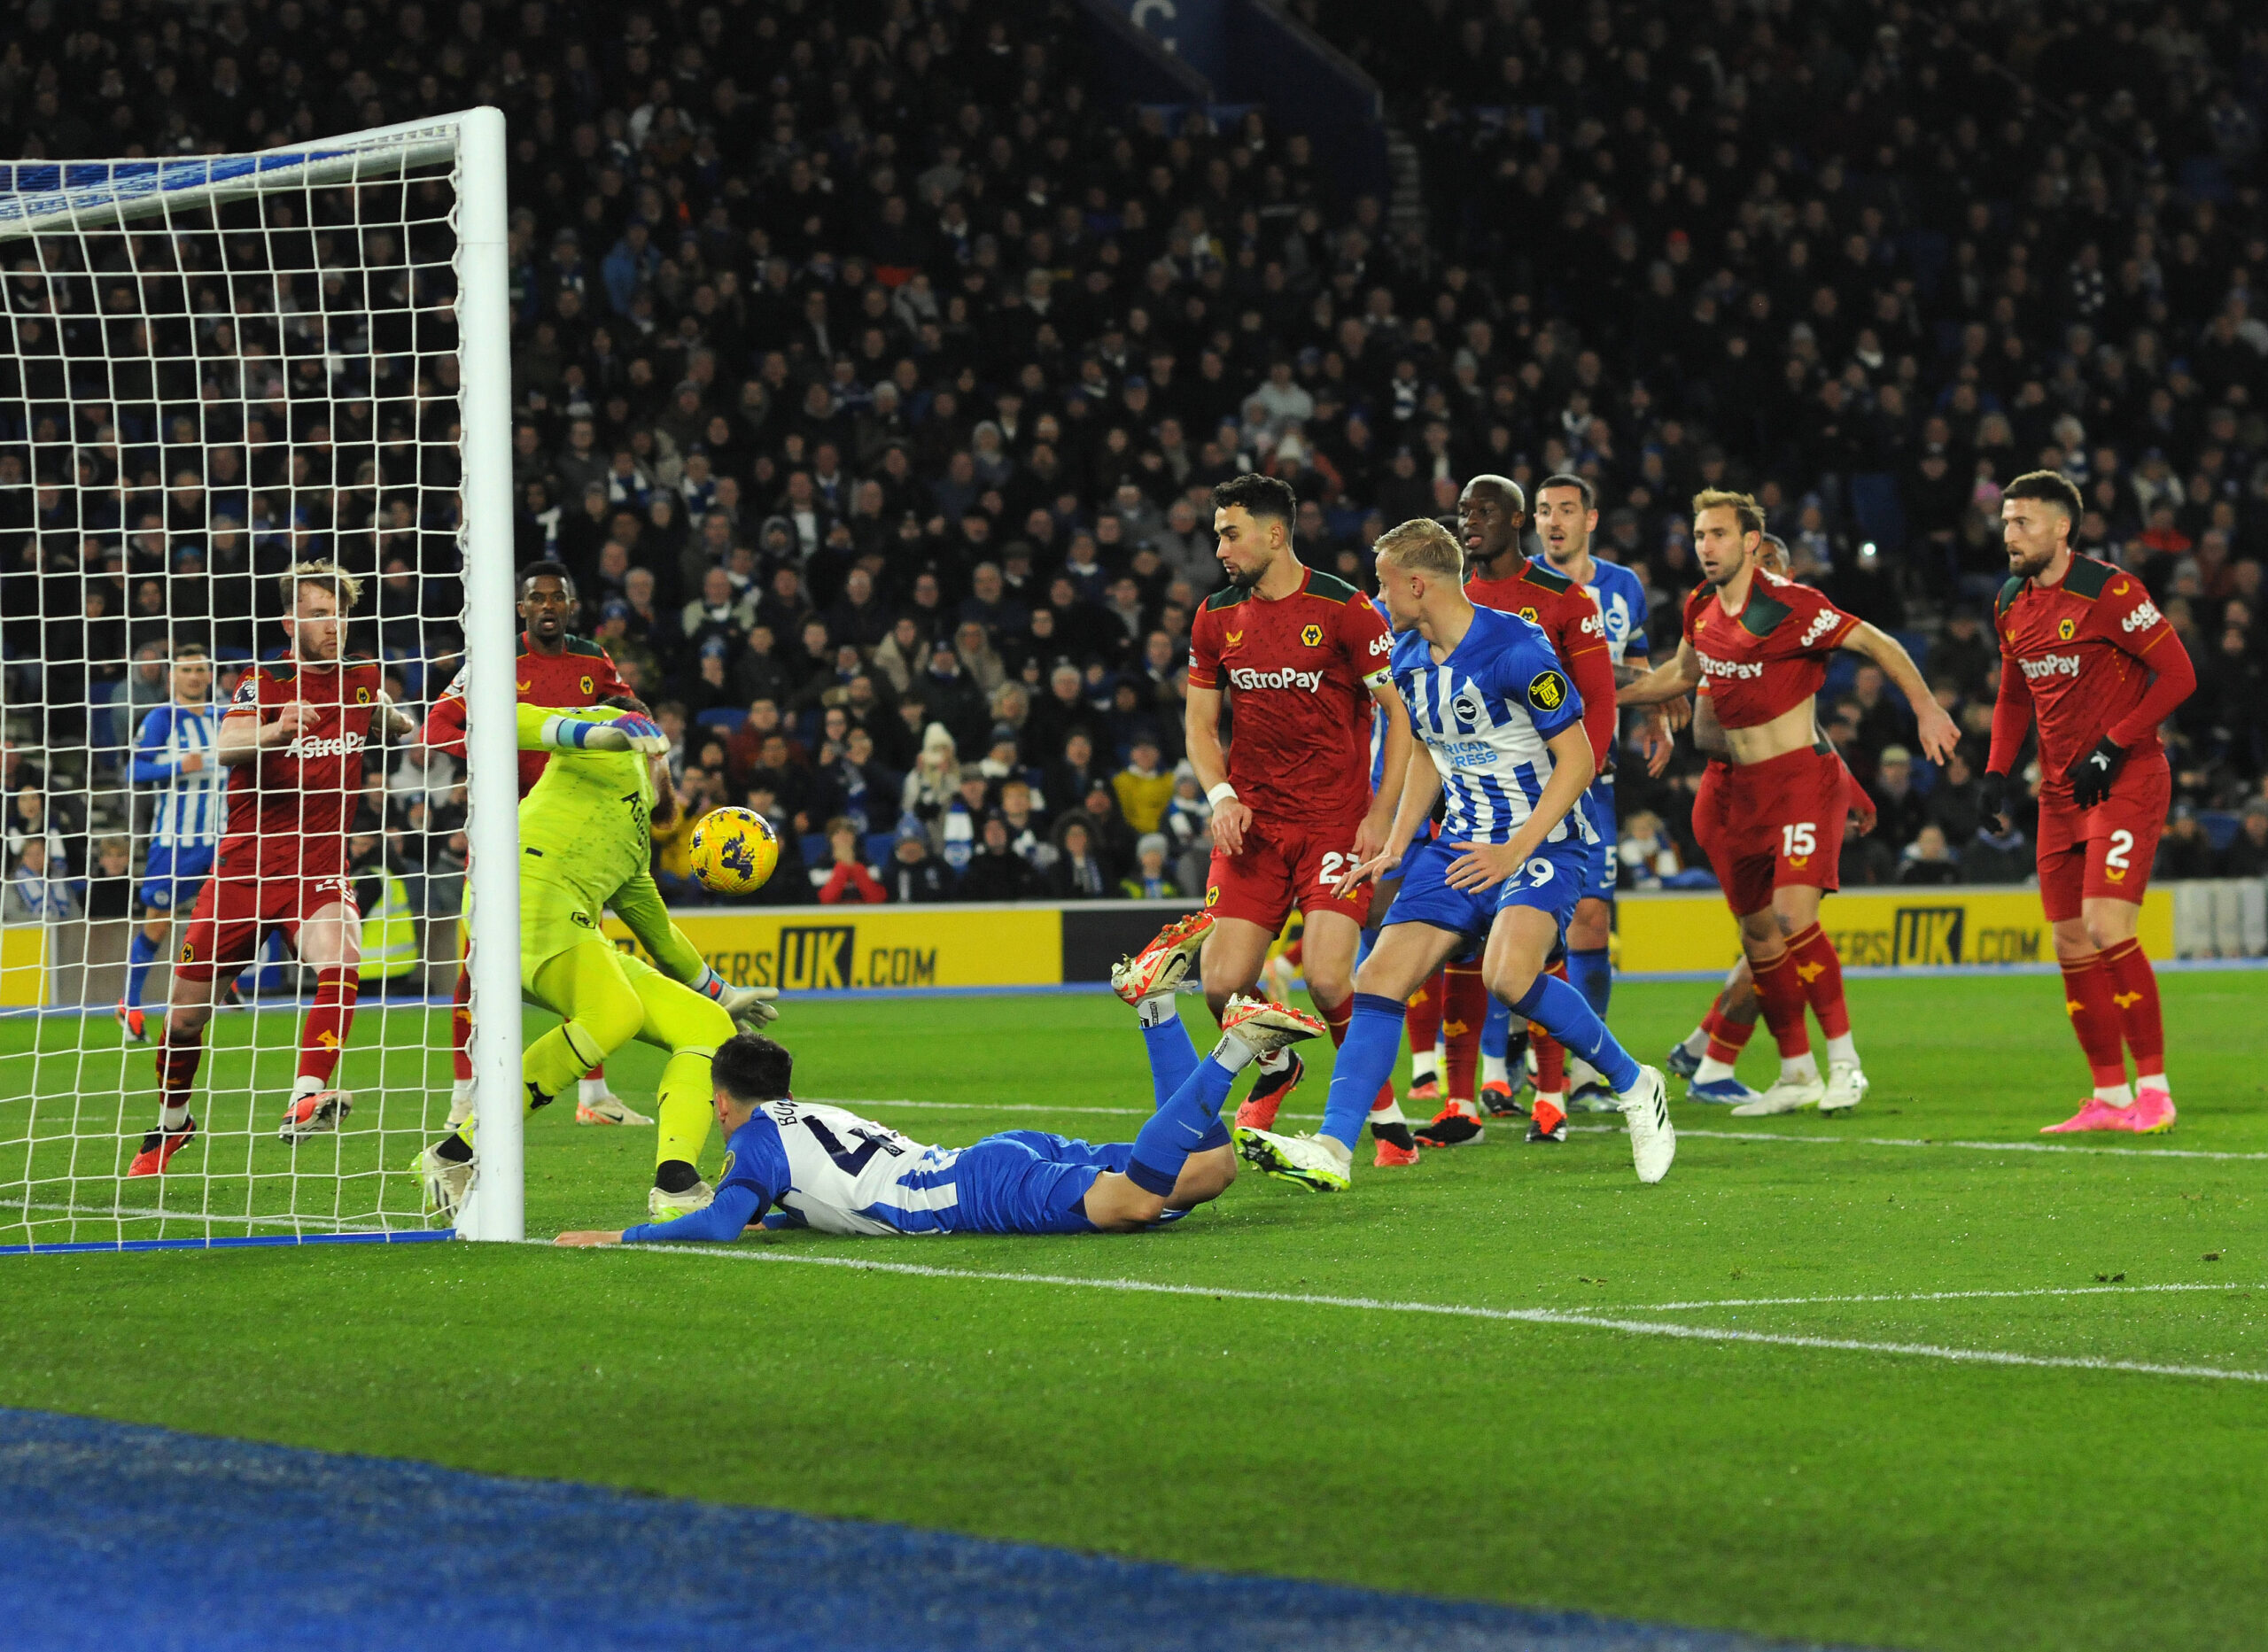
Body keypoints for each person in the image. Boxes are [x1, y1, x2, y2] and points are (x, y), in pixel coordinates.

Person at [1231, 517, 1674, 1191]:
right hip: (1458, 845)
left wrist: (1514, 849)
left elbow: (1579, 758)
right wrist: (1398, 842)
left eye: (1383, 585)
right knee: (1377, 980)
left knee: (1507, 975)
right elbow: (1431, 757)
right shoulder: (1406, 658)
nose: (1376, 601)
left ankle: (1635, 1083)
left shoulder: (1516, 648)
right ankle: (1333, 1145)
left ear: (1418, 584)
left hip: (1542, 841)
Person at [553, 915, 1323, 1243]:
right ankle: (1156, 1007)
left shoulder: (753, 1144)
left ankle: (1229, 1048)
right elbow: (805, 1196)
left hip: (974, 1192)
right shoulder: (803, 1118)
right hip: (992, 1157)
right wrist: (777, 1216)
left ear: (723, 1101)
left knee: (1138, 1199)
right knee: (1209, 1169)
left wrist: (621, 1234)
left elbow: (721, 1222)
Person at [1619, 492, 1956, 1118]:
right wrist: (1606, 692)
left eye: (1718, 534)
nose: (1705, 546)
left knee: (1794, 916)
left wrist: (1926, 708)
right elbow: (1680, 676)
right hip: (1739, 791)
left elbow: (1879, 642)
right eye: (1699, 534)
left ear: (1751, 542)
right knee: (1758, 935)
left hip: (1799, 781)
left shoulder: (1793, 606)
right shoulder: (1699, 605)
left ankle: (1846, 1065)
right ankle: (1797, 1071)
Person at [414, 699, 780, 1222]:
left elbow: (661, 935)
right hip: (519, 901)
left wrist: (723, 993)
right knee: (615, 1013)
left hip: (567, 926)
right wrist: (601, 731)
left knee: (707, 1025)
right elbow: (500, 717)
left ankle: (676, 1183)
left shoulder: (633, 842)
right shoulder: (607, 743)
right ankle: (460, 1151)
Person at [128, 562, 421, 1177]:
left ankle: (304, 1094)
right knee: (184, 1016)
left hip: (318, 868)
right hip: (244, 869)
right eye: (316, 614)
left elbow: (383, 709)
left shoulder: (364, 678)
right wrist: (276, 730)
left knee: (341, 959)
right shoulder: (263, 680)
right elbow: (227, 745)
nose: (331, 623)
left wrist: (404, 725)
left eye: (337, 612)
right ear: (291, 622)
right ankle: (174, 1124)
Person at [1185, 474, 1413, 1135]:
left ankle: (1384, 1113)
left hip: (1334, 822)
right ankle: (1278, 1063)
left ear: (1274, 533)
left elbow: (1399, 716)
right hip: (1254, 824)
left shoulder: (1346, 609)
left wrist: (1380, 815)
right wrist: (1221, 795)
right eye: (1218, 534)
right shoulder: (1215, 616)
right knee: (1221, 982)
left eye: (1232, 533)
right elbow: (1201, 726)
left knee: (1327, 977)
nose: (1221, 547)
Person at [1984, 470, 2197, 1135]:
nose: (2010, 533)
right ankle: (2108, 1096)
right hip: (2059, 792)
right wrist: (1996, 771)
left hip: (2126, 776)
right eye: (2006, 522)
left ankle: (2154, 1091)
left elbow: (2180, 674)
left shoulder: (2110, 590)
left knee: (2109, 927)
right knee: (2071, 942)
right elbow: (2015, 694)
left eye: (2023, 522)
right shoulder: (2010, 602)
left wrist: (2116, 741)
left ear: (2061, 528)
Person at [1427, 473, 1618, 1146]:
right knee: (1459, 939)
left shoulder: (1564, 600)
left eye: (1483, 510)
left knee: (1542, 945)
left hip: (1545, 807)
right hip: (1468, 803)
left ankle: (1554, 1092)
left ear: (1516, 519)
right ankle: (1460, 1099)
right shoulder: (1453, 599)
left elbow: (1598, 703)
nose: (1469, 521)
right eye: (1462, 512)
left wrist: (1570, 787)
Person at [421, 562, 647, 1127]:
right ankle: (463, 1098)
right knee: (477, 965)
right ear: (520, 608)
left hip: (572, 837)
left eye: (558, 598)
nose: (547, 606)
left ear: (570, 606)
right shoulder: (496, 662)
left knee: (586, 954)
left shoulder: (594, 660)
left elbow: (633, 710)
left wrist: (641, 726)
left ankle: (593, 1098)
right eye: (536, 598)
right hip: (503, 832)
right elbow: (435, 726)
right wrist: (488, 751)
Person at [1659, 537, 1879, 1107]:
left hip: (1787, 793)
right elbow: (1707, 731)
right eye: (1767, 573)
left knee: (1780, 929)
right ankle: (1716, 1052)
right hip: (1735, 800)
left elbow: (1802, 730)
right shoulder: (1724, 642)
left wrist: (1841, 780)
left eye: (1781, 576)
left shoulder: (1785, 628)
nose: (1774, 589)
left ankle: (1725, 1057)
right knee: (1771, 934)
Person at [118, 644, 221, 1043]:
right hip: (175, 841)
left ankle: (218, 986)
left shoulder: (224, 716)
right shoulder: (162, 718)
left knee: (231, 916)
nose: (195, 676)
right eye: (187, 669)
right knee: (158, 924)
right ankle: (129, 1002)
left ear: (210, 676)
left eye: (200, 669)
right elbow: (133, 769)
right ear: (172, 677)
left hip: (224, 838)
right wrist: (178, 765)